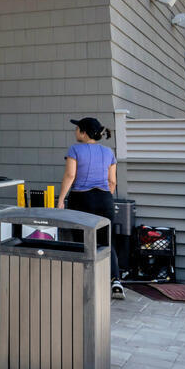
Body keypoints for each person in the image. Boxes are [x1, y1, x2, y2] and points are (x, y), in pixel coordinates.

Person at [59, 116, 121, 286]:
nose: (75, 131)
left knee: (82, 241)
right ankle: (115, 280)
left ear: (84, 133)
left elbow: (70, 176)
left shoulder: (75, 150)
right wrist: (106, 197)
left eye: (77, 128)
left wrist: (61, 199)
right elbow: (112, 181)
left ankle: (85, 281)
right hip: (104, 199)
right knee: (107, 241)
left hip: (81, 199)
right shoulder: (109, 152)